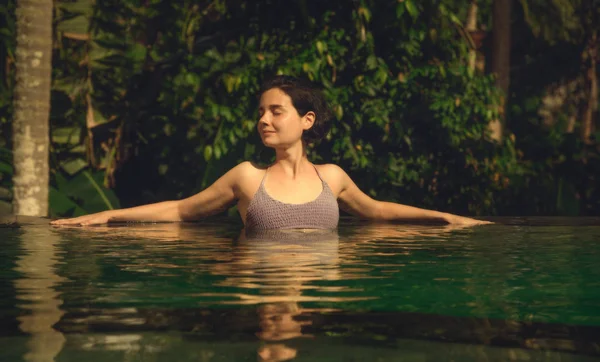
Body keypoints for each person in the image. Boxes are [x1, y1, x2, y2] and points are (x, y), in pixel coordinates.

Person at [51, 75, 491, 229]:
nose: (263, 120)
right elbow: (183, 212)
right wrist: (107, 216)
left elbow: (376, 212)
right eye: (260, 112)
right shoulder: (247, 177)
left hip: (317, 292)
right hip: (258, 282)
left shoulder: (332, 177)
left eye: (276, 111)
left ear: (307, 120)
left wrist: (445, 218)